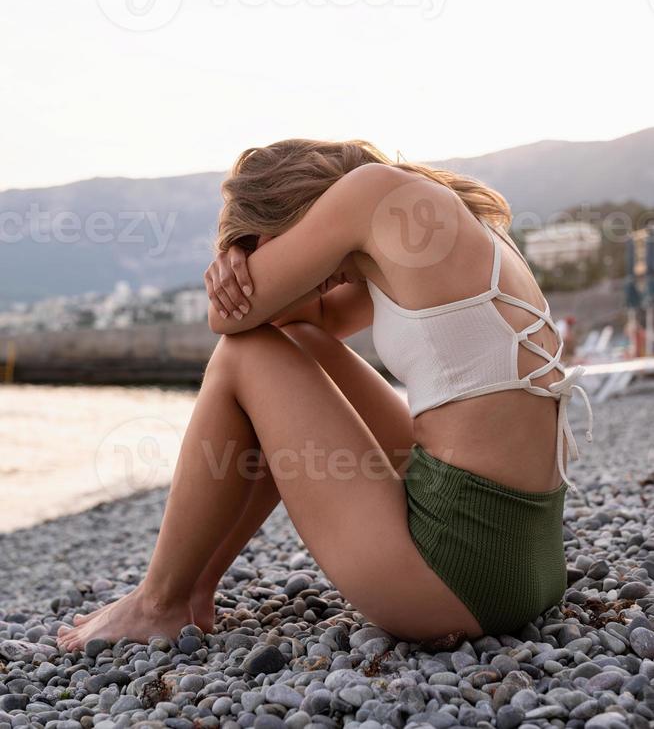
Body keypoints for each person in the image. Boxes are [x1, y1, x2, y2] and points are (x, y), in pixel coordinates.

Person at [57, 139, 593, 649]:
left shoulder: (372, 193)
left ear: (285, 223)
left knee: (242, 356)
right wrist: (250, 263)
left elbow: (231, 318)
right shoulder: (428, 219)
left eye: (256, 245)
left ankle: (158, 601)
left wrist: (229, 258)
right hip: (527, 564)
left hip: (455, 577)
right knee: (293, 346)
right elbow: (301, 323)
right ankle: (195, 586)